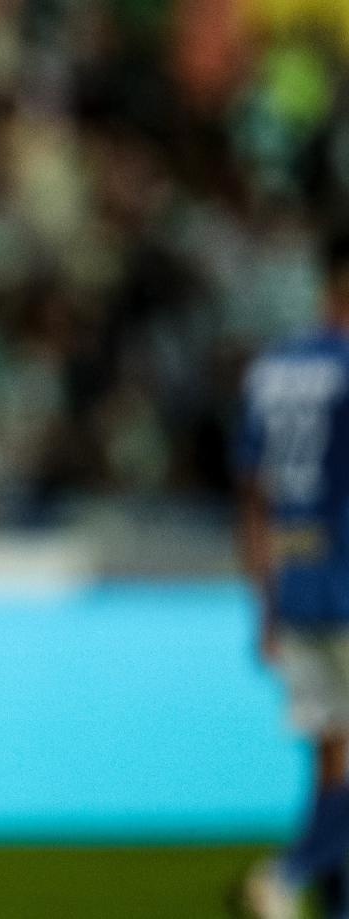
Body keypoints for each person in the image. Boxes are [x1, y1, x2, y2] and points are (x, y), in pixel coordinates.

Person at [237, 233, 349, 919]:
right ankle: (290, 871)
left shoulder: (272, 369)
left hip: (298, 579)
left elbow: (253, 496)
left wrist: (267, 601)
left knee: (333, 753)